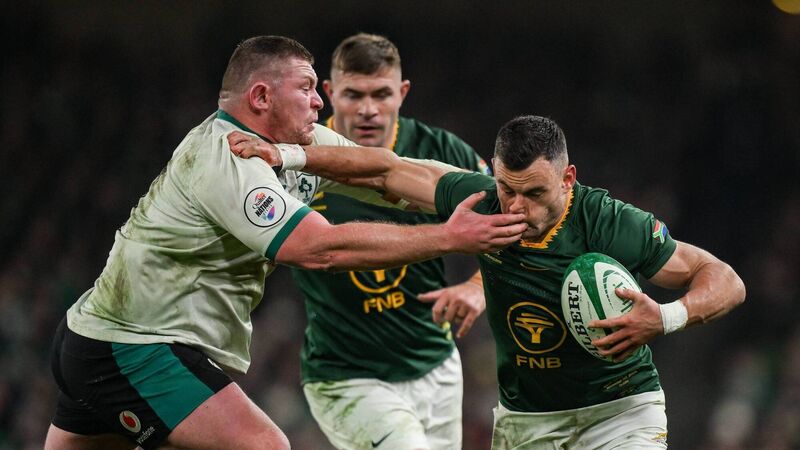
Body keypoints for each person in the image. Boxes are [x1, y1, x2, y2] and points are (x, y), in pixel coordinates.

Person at [43, 36, 529, 450]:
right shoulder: (227, 157)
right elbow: (321, 249)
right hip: (132, 346)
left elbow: (388, 173)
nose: (319, 102)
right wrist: (449, 237)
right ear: (261, 96)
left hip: (100, 339)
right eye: (307, 88)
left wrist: (503, 193)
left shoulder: (299, 147)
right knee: (266, 446)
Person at [231, 115, 746, 449]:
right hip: (527, 423)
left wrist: (666, 317)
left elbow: (724, 279)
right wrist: (288, 155)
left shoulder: (611, 223)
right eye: (507, 189)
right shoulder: (482, 202)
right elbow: (386, 171)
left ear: (568, 179)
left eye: (535, 193)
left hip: (619, 412)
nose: (517, 207)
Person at [289, 33, 490, 450]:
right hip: (347, 377)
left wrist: (477, 287)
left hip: (437, 367)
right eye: (353, 95)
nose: (368, 109)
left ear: (402, 93)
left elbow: (515, 222)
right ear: (329, 93)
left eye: (381, 94)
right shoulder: (299, 156)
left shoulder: (441, 151)